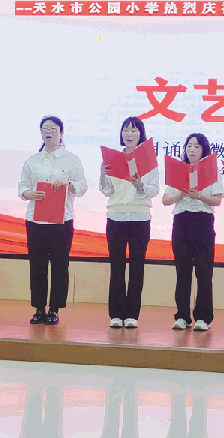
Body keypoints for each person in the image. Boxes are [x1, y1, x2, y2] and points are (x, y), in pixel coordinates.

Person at [18, 116, 87, 326]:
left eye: (53, 128)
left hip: (61, 220)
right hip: (36, 220)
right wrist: (29, 193)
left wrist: (68, 183)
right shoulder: (32, 160)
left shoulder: (71, 159)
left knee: (59, 265)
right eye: (45, 128)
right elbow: (22, 187)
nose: (48, 131)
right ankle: (39, 309)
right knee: (37, 265)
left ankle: (54, 309)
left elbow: (82, 187)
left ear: (61, 133)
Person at [100, 116, 159, 329]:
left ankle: (132, 314)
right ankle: (116, 314)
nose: (129, 134)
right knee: (116, 267)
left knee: (136, 267)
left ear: (141, 134)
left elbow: (155, 189)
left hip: (140, 218)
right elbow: (107, 191)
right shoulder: (113, 158)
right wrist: (103, 175)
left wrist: (140, 185)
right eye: (126, 130)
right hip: (116, 216)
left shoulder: (148, 160)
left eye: (134, 130)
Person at [161, 133, 224, 331]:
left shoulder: (212, 171)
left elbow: (217, 200)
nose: (192, 149)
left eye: (197, 146)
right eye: (189, 145)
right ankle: (182, 316)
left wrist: (200, 196)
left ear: (204, 149)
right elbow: (165, 199)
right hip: (182, 221)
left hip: (203, 222)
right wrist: (181, 193)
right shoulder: (178, 171)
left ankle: (203, 318)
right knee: (183, 272)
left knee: (204, 272)